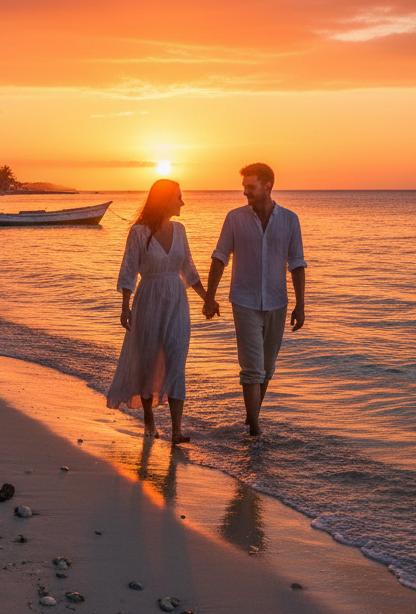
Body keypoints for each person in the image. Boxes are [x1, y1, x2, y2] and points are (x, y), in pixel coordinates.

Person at [202, 163, 305, 439]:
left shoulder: (289, 220)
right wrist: (210, 297)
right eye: (244, 187)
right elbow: (220, 256)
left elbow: (296, 264)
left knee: (267, 369)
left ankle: (250, 419)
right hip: (244, 301)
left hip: (277, 302)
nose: (245, 192)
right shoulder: (234, 218)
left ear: (268, 186)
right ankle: (256, 431)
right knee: (252, 368)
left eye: (251, 187)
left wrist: (301, 304)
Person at [106, 179, 209, 443]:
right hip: (148, 299)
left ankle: (176, 430)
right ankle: (149, 420)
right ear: (165, 199)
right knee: (148, 360)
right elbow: (128, 271)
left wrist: (207, 298)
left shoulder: (181, 230)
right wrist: (125, 307)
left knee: (177, 359)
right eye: (178, 197)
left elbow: (189, 269)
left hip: (177, 300)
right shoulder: (138, 232)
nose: (182, 202)